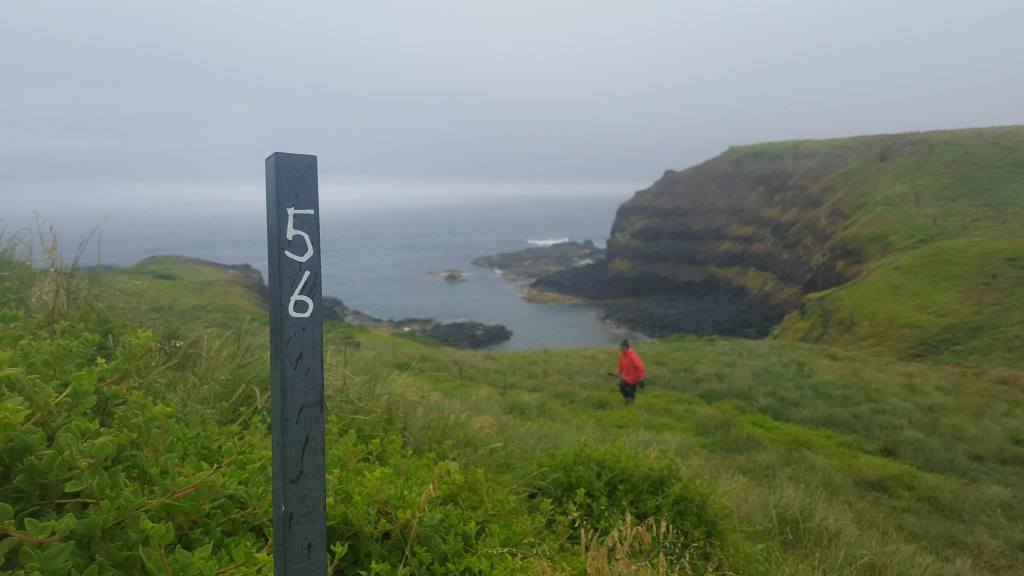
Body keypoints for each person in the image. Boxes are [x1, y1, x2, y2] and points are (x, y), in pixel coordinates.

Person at [616, 339, 646, 405]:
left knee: (631, 392)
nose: (621, 350)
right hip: (626, 376)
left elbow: (640, 366)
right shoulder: (622, 355)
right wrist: (618, 373)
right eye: (620, 348)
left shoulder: (633, 356)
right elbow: (620, 366)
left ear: (627, 348)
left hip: (634, 378)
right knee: (621, 387)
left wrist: (642, 377)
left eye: (623, 348)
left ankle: (630, 403)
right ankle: (626, 398)